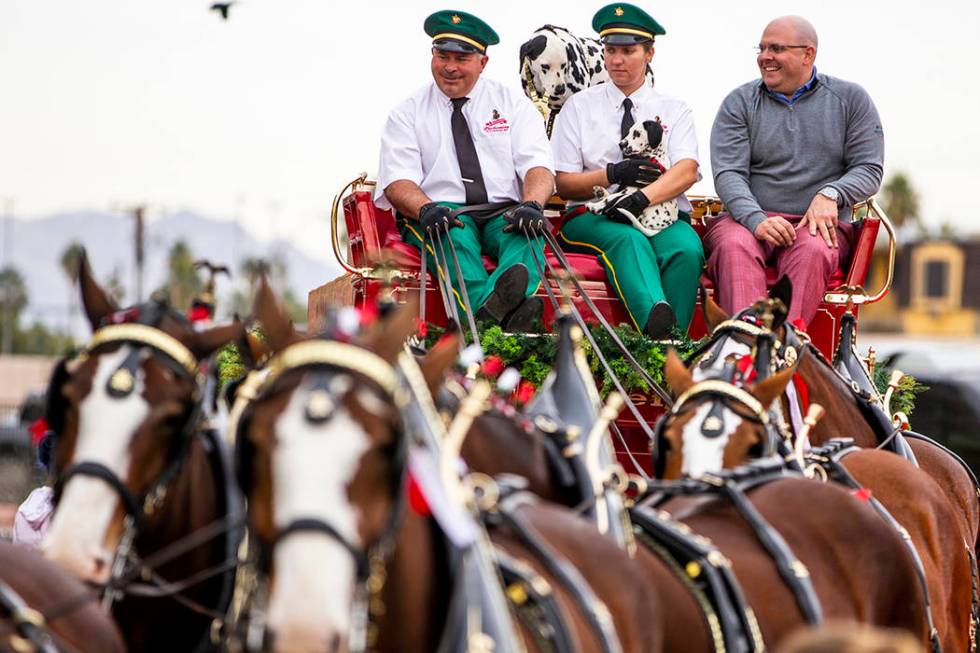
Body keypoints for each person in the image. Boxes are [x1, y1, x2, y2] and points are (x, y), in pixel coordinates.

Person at [376, 10, 556, 331]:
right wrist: (425, 208)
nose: (450, 67)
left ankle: (490, 319)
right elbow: (397, 181)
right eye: (442, 55)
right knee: (453, 239)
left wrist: (532, 205)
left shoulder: (512, 104)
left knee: (527, 234)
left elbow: (538, 167)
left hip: (503, 211)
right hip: (440, 213)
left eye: (461, 58)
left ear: (482, 63)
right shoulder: (406, 113)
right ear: (432, 55)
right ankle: (494, 327)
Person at [707, 15, 884, 326]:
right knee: (733, 245)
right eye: (761, 49)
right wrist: (756, 219)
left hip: (817, 226)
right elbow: (728, 174)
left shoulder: (851, 99)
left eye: (776, 48)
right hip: (748, 220)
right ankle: (743, 345)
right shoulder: (738, 103)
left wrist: (831, 193)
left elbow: (869, 168)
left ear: (808, 54)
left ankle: (784, 348)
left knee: (814, 249)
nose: (765, 57)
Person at [550, 3, 704, 340]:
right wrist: (613, 173)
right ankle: (658, 337)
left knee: (687, 250)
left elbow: (687, 170)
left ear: (650, 53)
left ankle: (669, 359)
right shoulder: (579, 107)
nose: (617, 59)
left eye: (628, 51)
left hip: (660, 214)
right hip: (594, 215)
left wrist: (640, 199)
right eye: (611, 50)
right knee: (628, 239)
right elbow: (563, 184)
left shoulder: (674, 109)